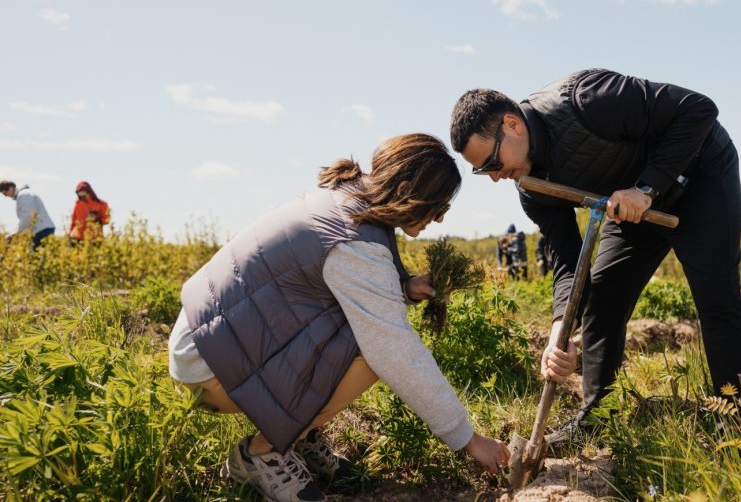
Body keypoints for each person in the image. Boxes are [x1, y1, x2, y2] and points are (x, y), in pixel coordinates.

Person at [168, 134, 510, 502]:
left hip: (207, 340)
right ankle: (262, 454)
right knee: (373, 353)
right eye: (438, 205)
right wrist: (469, 439)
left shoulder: (347, 197)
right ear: (408, 189)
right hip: (206, 365)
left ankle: (300, 434)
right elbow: (396, 351)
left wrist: (405, 287)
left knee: (365, 332)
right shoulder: (354, 242)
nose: (440, 218)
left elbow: (321, 287)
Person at [450, 69, 741, 444]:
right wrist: (559, 332)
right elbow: (568, 263)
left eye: (491, 163)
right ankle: (598, 418)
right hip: (626, 207)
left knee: (717, 301)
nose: (494, 177)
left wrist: (647, 187)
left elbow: (698, 109)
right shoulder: (533, 189)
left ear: (512, 124)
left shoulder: (587, 99)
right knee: (602, 299)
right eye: (482, 171)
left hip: (697, 175)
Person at [0, 180, 56, 250]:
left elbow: (27, 216)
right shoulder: (23, 195)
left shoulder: (24, 195)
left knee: (39, 258)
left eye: (4, 192)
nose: (5, 195)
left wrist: (15, 233)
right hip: (40, 230)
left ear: (11, 187)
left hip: (41, 231)